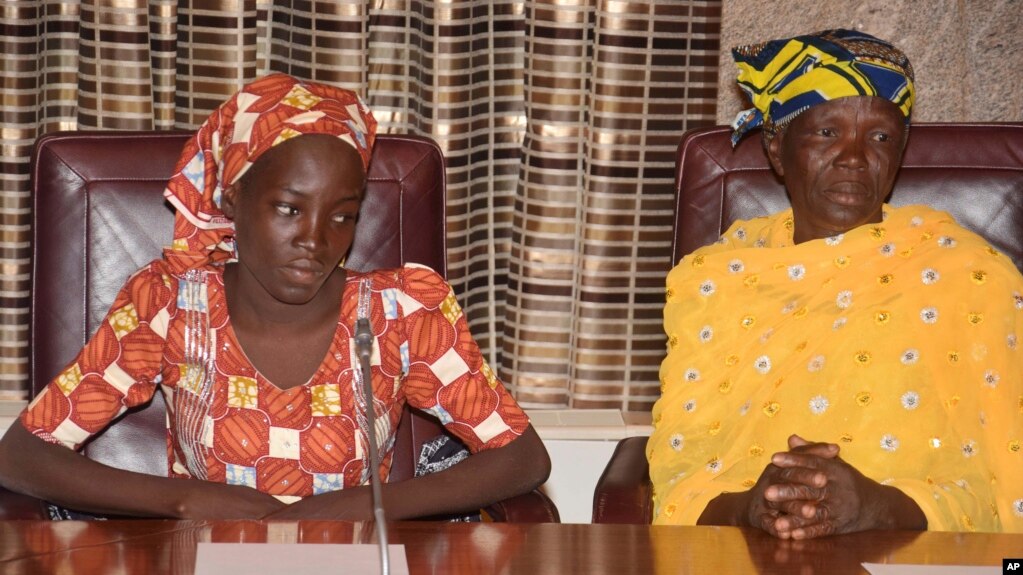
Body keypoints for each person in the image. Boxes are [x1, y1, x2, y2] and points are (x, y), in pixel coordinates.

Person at [0, 73, 550, 520]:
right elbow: (23, 455)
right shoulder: (168, 305)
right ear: (235, 197)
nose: (315, 240)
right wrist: (186, 500)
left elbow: (521, 457)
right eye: (289, 208)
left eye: (343, 216)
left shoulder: (403, 313)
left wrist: (360, 507)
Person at [648, 29, 1022, 537]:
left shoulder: (970, 276)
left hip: (914, 549)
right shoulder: (715, 280)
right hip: (748, 550)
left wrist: (879, 506)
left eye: (881, 137)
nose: (853, 156)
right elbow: (683, 477)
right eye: (827, 133)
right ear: (777, 149)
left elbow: (1001, 481)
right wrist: (751, 508)